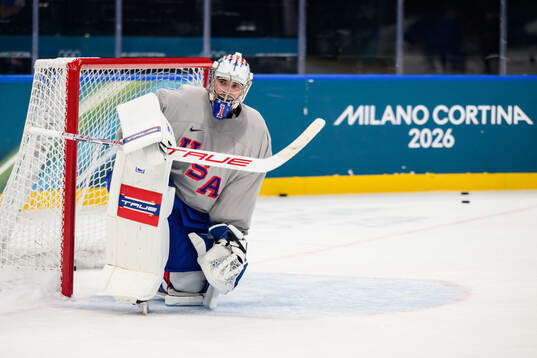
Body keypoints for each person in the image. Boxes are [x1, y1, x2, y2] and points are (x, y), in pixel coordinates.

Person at [155, 52, 272, 299]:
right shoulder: (182, 102)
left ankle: (165, 271)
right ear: (211, 79)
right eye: (222, 82)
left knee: (189, 286)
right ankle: (144, 264)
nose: (227, 91)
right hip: (166, 198)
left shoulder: (256, 130)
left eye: (235, 85)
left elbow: (243, 190)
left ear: (245, 89)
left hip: (200, 214)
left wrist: (228, 235)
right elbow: (143, 113)